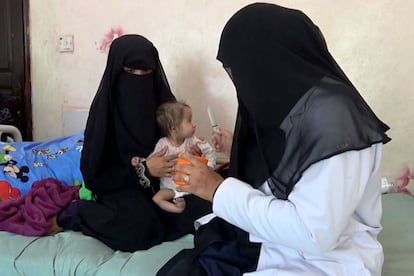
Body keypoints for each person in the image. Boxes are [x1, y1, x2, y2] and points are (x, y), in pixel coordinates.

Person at [159, 3, 390, 276]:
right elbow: (288, 165)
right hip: (276, 240)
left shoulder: (334, 119)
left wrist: (217, 190)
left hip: (327, 259)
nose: (242, 81)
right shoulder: (296, 103)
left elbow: (313, 234)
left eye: (243, 68)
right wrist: (237, 152)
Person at [56, 34, 212, 252]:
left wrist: (190, 153)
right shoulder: (104, 116)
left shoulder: (164, 109)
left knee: (214, 204)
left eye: (146, 73)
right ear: (117, 72)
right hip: (123, 189)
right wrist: (144, 170)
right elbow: (93, 177)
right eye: (131, 72)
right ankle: (81, 213)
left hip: (166, 186)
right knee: (140, 227)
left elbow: (177, 139)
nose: (140, 79)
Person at [147, 101, 215, 213]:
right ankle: (178, 208)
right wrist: (141, 162)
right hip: (171, 189)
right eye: (189, 121)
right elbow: (153, 160)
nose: (194, 124)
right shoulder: (162, 144)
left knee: (209, 191)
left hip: (193, 184)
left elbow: (210, 152)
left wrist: (209, 167)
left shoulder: (193, 141)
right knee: (157, 198)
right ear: (174, 129)